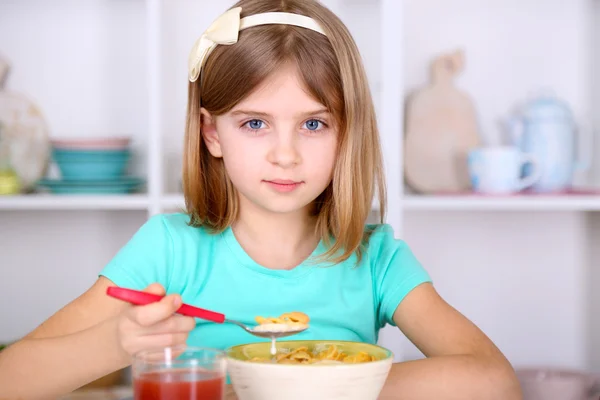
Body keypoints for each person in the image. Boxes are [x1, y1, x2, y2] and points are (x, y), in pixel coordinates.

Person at [0, 1, 522, 399]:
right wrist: (119, 343)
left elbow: (493, 379)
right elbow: (10, 378)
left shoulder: (376, 260)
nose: (286, 154)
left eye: (314, 124)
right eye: (255, 123)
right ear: (212, 134)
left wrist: (316, 386)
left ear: (347, 135)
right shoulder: (169, 249)